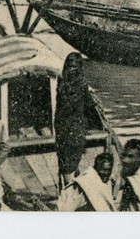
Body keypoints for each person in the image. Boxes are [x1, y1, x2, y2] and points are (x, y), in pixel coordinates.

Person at [54, 52, 90, 186]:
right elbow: (87, 104)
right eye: (71, 66)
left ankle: (68, 187)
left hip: (64, 128)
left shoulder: (61, 82)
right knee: (69, 163)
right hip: (73, 129)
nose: (72, 69)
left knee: (66, 164)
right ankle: (71, 187)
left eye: (73, 67)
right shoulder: (82, 83)